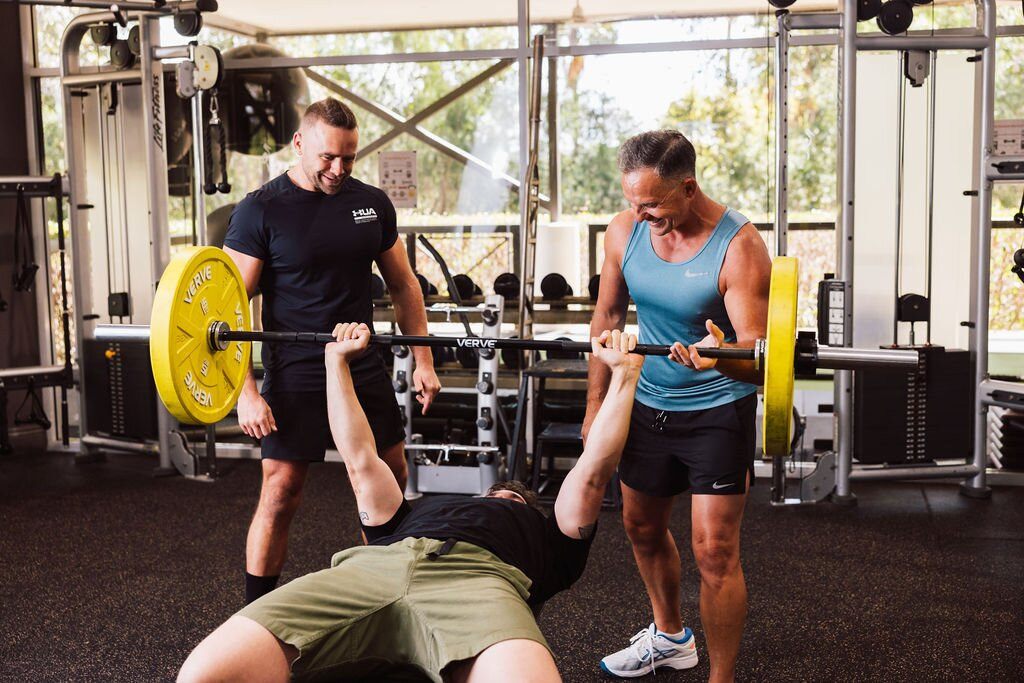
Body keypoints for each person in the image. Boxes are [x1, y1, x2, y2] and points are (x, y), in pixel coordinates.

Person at [178, 323, 645, 683]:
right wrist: (335, 361)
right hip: (373, 570)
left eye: (514, 498)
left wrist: (624, 375)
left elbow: (593, 470)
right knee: (202, 675)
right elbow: (359, 457)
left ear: (526, 507)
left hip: (482, 587)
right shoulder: (407, 516)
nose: (504, 495)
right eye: (500, 493)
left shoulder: (552, 540)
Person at [222, 97, 442, 604]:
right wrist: (246, 392)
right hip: (295, 370)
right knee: (281, 491)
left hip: (361, 365)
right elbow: (228, 308)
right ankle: (253, 613)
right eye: (327, 157)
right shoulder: (260, 210)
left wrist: (424, 360)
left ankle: (388, 600)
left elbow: (404, 285)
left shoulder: (371, 204)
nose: (338, 170)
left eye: (348, 157)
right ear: (299, 143)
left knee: (388, 481)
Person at [584, 130, 771, 681]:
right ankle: (670, 638)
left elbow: (757, 356)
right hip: (646, 402)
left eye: (652, 205)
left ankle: (721, 678)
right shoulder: (625, 231)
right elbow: (608, 318)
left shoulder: (739, 247)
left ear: (688, 188)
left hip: (717, 409)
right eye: (632, 203)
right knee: (641, 527)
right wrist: (595, 405)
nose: (640, 216)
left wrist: (720, 358)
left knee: (714, 551)